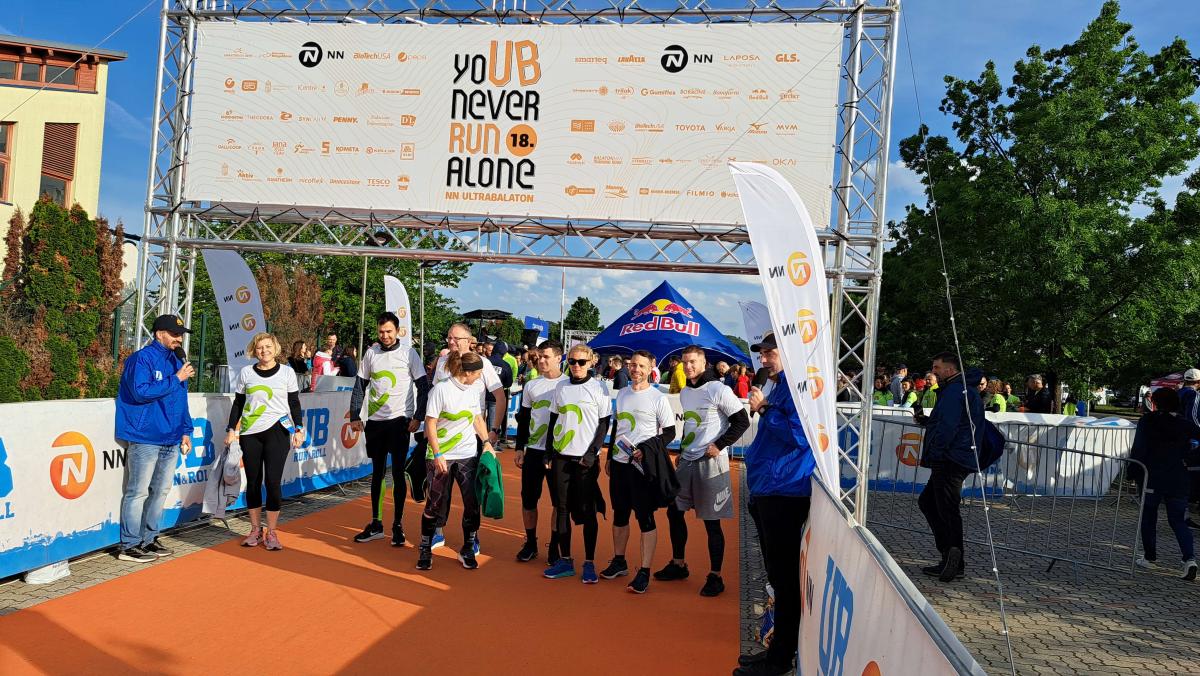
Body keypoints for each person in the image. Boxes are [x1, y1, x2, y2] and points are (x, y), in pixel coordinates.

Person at [734, 331, 817, 676]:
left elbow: (801, 435)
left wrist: (765, 408)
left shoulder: (801, 388)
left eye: (770, 353)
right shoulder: (780, 385)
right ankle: (776, 649)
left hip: (785, 491)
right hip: (769, 488)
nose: (763, 359)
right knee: (777, 578)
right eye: (762, 354)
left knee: (784, 582)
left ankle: (780, 659)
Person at [657, 346, 750, 597]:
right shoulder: (686, 391)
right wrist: (682, 450)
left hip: (711, 463)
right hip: (687, 460)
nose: (688, 367)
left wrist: (719, 445)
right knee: (674, 512)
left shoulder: (718, 389)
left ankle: (715, 576)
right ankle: (679, 564)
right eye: (685, 362)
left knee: (711, 522)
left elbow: (742, 421)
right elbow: (690, 425)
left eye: (693, 362)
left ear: (704, 362)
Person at [115, 314, 196, 563]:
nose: (179, 339)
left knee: (160, 491)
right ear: (160, 334)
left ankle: (149, 539)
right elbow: (140, 392)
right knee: (138, 492)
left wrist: (186, 430)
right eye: (174, 334)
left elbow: (180, 399)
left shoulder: (176, 360)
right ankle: (129, 545)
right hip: (145, 436)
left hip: (171, 436)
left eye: (181, 334)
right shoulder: (141, 359)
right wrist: (176, 378)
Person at [349, 313, 430, 547]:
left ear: (397, 331)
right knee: (376, 473)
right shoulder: (371, 353)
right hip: (375, 422)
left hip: (399, 422)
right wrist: (355, 415)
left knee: (397, 473)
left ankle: (397, 525)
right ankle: (376, 524)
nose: (384, 336)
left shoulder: (409, 353)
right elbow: (359, 386)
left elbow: (423, 387)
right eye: (381, 332)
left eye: (389, 331)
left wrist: (418, 417)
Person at [601, 350, 677, 593]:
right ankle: (619, 561)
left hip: (642, 467)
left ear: (650, 368)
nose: (636, 370)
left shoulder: (657, 398)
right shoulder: (622, 394)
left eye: (641, 366)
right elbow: (617, 427)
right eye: (633, 365)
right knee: (620, 514)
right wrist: (610, 456)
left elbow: (670, 432)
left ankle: (644, 571)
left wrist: (647, 450)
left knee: (645, 517)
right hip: (619, 463)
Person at [223, 332, 306, 551]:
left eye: (268, 346)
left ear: (275, 348)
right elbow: (238, 403)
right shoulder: (246, 373)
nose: (264, 351)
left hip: (278, 432)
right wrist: (231, 429)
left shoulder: (287, 372)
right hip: (250, 433)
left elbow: (294, 403)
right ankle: (255, 529)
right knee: (253, 482)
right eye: (260, 347)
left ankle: (272, 532)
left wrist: (299, 428)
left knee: (272, 482)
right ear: (254, 350)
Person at [417, 351, 497, 571]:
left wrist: (486, 442)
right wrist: (437, 453)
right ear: (468, 372)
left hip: (467, 454)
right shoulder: (441, 390)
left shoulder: (473, 391)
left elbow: (477, 418)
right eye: (478, 373)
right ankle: (425, 548)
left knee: (472, 501)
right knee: (435, 503)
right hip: (441, 455)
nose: (480, 377)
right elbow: (430, 423)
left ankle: (468, 547)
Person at [542, 344, 611, 583]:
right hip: (561, 456)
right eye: (572, 361)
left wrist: (592, 454)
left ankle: (589, 562)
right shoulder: (561, 387)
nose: (577, 366)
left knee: (587, 510)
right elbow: (553, 420)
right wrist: (548, 451)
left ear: (591, 362)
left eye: (582, 362)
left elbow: (604, 424)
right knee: (562, 508)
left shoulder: (599, 388)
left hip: (585, 460)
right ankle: (565, 560)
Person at [914, 352, 984, 582]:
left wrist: (937, 453)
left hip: (951, 457)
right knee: (931, 503)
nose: (933, 371)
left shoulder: (955, 390)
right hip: (956, 455)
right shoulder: (960, 389)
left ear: (950, 369)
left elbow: (949, 425)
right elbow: (953, 421)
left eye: (937, 367)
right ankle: (950, 554)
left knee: (946, 507)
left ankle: (953, 555)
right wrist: (928, 421)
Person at [1131, 387, 1199, 579]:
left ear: (1156, 403)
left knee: (1149, 516)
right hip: (1179, 476)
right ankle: (1189, 558)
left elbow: (1139, 448)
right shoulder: (1185, 424)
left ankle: (1150, 556)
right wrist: (1189, 459)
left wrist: (1133, 470)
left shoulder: (1148, 421)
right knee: (1178, 520)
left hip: (1152, 475)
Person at [513, 340, 567, 563]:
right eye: (539, 356)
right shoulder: (531, 385)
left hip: (558, 453)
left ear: (559, 358)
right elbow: (524, 419)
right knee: (528, 499)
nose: (541, 360)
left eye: (546, 357)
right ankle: (531, 543)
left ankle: (554, 545)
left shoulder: (568, 385)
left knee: (558, 503)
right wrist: (519, 447)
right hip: (534, 451)